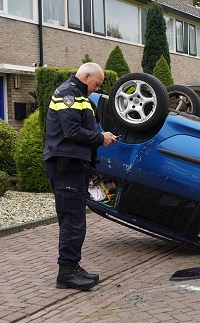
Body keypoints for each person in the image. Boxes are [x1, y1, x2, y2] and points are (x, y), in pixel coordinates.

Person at [43, 62, 118, 291]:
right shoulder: (68, 94)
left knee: (75, 219)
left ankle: (72, 267)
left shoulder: (78, 94)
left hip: (73, 167)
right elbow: (72, 131)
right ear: (86, 76)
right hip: (67, 168)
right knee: (72, 220)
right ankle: (66, 272)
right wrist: (100, 138)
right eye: (96, 84)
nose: (96, 88)